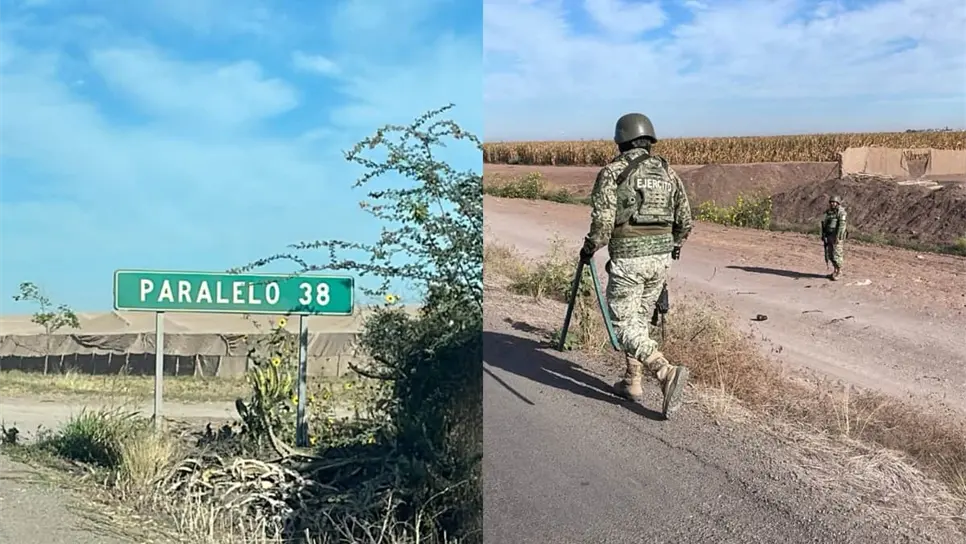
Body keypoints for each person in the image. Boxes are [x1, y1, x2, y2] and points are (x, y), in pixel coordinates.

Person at [578, 113, 693, 419]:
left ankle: (664, 371)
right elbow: (685, 221)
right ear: (649, 140)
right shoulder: (669, 174)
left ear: (620, 140)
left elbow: (602, 224)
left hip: (629, 259)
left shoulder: (613, 172)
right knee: (640, 320)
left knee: (623, 326)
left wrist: (589, 248)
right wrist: (673, 247)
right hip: (660, 259)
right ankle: (632, 381)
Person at [821, 195, 848, 281]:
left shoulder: (841, 212)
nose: (832, 203)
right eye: (831, 202)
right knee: (830, 254)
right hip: (829, 235)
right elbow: (824, 223)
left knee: (837, 254)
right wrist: (823, 235)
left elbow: (842, 226)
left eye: (834, 202)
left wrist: (838, 237)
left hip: (836, 236)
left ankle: (839, 271)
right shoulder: (829, 212)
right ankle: (835, 270)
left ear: (837, 203)